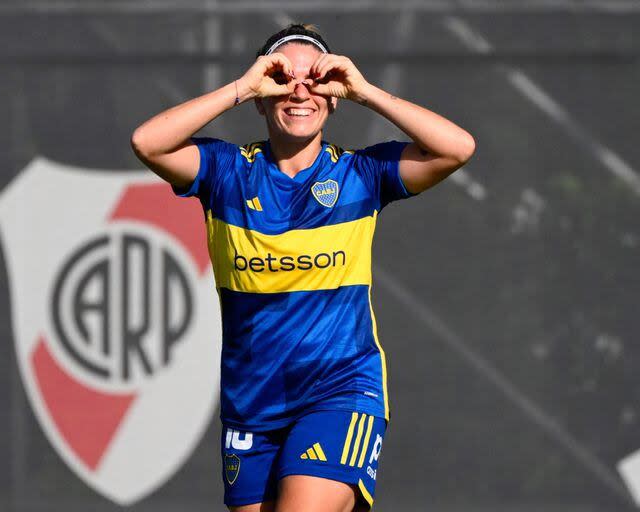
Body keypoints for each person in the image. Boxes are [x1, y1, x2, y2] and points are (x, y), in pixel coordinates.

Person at [132, 23, 475, 512]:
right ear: (261, 95)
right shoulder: (226, 173)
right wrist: (241, 86)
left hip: (339, 391)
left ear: (333, 98)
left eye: (314, 79)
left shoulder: (360, 175)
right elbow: (148, 142)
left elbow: (457, 148)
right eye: (281, 77)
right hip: (251, 404)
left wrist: (365, 91)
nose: (299, 91)